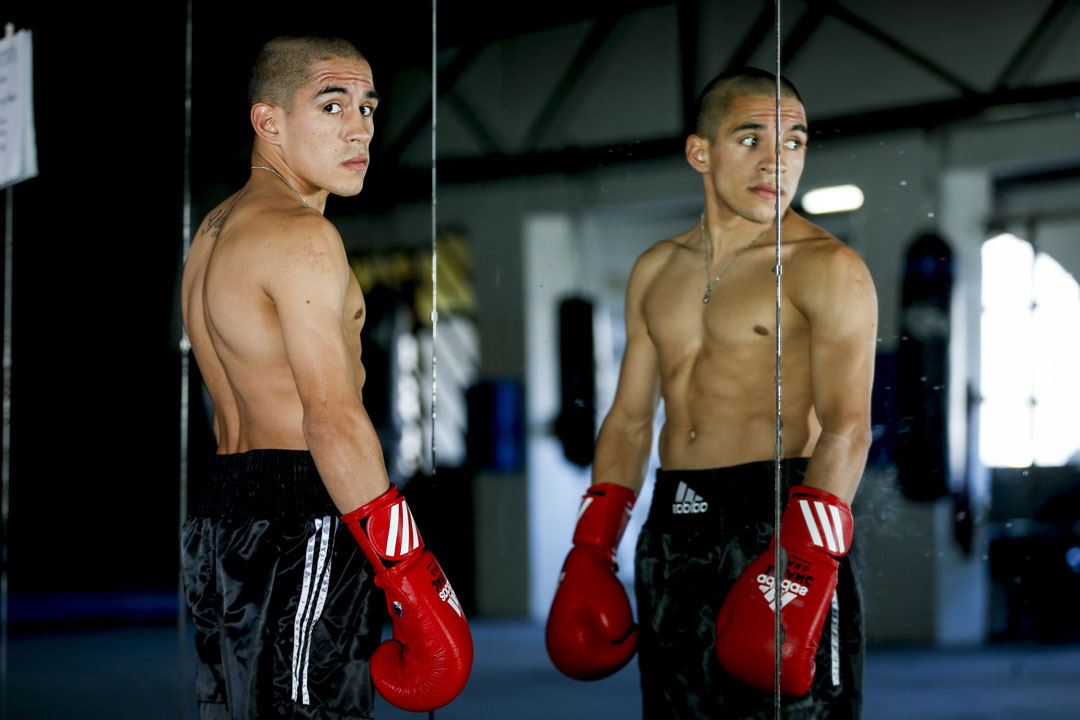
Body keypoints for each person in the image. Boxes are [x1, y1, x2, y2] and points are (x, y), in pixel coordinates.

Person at [546, 68, 876, 719]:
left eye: (794, 141)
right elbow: (630, 423)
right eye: (751, 139)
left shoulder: (826, 266)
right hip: (677, 520)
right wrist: (591, 547)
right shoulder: (656, 269)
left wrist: (801, 561)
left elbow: (848, 428)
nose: (776, 161)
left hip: (785, 514)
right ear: (701, 151)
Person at [180, 36, 471, 719]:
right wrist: (411, 572)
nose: (360, 128)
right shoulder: (304, 237)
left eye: (367, 107)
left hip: (223, 510)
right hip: (303, 508)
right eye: (332, 104)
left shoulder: (214, 231)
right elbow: (331, 417)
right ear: (269, 121)